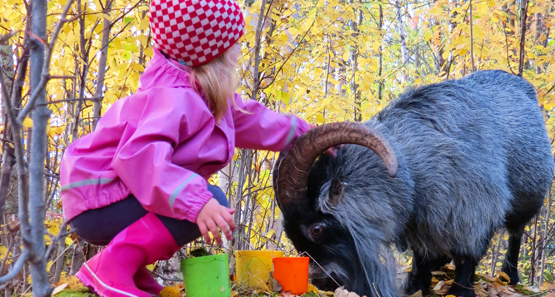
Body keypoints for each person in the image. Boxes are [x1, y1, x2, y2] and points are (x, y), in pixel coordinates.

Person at [59, 0, 310, 296]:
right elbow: (140, 159)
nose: (239, 50)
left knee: (197, 197)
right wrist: (197, 202)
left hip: (110, 195)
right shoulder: (173, 98)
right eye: (234, 43)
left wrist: (308, 137)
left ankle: (130, 271)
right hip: (99, 199)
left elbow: (255, 121)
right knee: (206, 198)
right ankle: (111, 267)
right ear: (213, 54)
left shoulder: (205, 95)